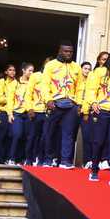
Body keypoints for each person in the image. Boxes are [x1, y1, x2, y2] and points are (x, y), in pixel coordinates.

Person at [84, 46, 110, 184]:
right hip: (101, 111)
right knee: (98, 142)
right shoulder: (99, 71)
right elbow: (90, 89)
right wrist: (93, 102)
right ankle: (94, 170)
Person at [41, 41, 82, 169]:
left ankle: (65, 161)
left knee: (68, 133)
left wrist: (79, 103)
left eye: (70, 51)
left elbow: (80, 87)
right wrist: (48, 100)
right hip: (55, 103)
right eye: (66, 51)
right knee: (50, 132)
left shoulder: (77, 67)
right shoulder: (50, 65)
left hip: (71, 104)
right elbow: (44, 84)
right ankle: (48, 159)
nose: (68, 53)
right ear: (60, 51)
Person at [7, 63, 34, 165]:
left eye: (32, 71)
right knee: (17, 135)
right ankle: (11, 158)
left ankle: (22, 159)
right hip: (17, 113)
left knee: (26, 136)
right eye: (29, 71)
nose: (31, 73)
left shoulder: (32, 83)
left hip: (28, 113)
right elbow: (10, 100)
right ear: (23, 70)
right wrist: (10, 114)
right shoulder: (15, 83)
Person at [25, 58, 51, 165]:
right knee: (32, 136)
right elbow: (28, 93)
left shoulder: (53, 77)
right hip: (35, 111)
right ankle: (29, 159)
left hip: (48, 112)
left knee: (45, 137)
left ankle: (40, 159)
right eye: (47, 64)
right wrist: (29, 108)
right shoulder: (35, 76)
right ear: (44, 64)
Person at [0, 65, 18, 164]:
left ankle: (8, 158)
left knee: (11, 136)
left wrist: (10, 100)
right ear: (6, 72)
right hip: (3, 112)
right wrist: (11, 99)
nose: (12, 72)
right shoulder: (1, 82)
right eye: (10, 70)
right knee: (2, 136)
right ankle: (0, 158)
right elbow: (0, 99)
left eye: (14, 70)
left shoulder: (17, 83)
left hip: (13, 113)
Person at [72, 61, 93, 168]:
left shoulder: (92, 82)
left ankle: (87, 161)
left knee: (87, 136)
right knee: (70, 136)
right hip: (75, 109)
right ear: (81, 69)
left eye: (89, 69)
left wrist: (85, 109)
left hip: (86, 112)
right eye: (85, 68)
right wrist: (76, 105)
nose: (87, 71)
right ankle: (67, 160)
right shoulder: (76, 80)